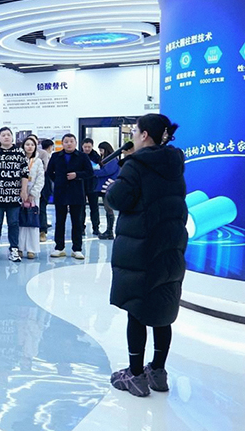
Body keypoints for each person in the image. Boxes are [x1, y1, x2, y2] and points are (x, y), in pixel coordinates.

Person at [104, 114, 186, 397]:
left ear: (145, 135)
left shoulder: (136, 165)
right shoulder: (174, 164)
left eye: (135, 131)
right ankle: (158, 372)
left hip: (141, 248)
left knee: (137, 310)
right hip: (171, 247)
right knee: (163, 309)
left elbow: (119, 199)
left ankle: (135, 374)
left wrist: (112, 188)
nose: (133, 136)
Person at [0, 128, 28, 262]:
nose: (6, 137)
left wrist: (24, 190)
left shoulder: (19, 152)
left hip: (14, 194)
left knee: (13, 222)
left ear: (12, 137)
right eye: (3, 135)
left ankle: (14, 249)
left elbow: (25, 173)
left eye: (8, 135)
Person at [46, 134, 93, 259]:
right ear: (62, 143)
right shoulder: (56, 156)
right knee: (59, 221)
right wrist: (58, 180)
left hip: (76, 192)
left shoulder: (82, 156)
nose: (69, 144)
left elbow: (89, 172)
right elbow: (49, 171)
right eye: (66, 141)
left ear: (76, 143)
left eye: (71, 141)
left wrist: (77, 175)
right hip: (60, 191)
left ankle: (77, 249)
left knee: (77, 221)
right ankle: (59, 247)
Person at [18, 136, 45, 259]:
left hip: (33, 197)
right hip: (20, 195)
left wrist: (32, 193)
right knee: (20, 222)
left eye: (32, 145)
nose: (30, 147)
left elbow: (40, 179)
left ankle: (31, 249)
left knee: (32, 221)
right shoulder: (18, 160)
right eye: (27, 144)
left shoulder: (38, 161)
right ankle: (19, 248)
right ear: (23, 146)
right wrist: (21, 192)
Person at [96, 141, 120, 240]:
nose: (100, 152)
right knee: (107, 209)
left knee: (108, 209)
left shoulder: (112, 160)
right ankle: (108, 231)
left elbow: (106, 171)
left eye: (101, 150)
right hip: (105, 187)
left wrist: (94, 171)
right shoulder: (108, 160)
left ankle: (109, 231)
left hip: (108, 187)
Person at [82, 138, 102, 236]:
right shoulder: (79, 156)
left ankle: (96, 227)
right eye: (85, 147)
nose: (87, 149)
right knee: (81, 208)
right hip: (81, 184)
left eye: (89, 147)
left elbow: (101, 169)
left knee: (94, 207)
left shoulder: (96, 156)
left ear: (92, 146)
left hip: (93, 185)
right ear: (82, 146)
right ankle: (81, 228)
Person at [39, 139, 55, 242]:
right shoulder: (45, 154)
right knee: (41, 208)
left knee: (42, 207)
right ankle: (42, 228)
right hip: (42, 184)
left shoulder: (46, 155)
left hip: (44, 184)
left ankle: (42, 229)